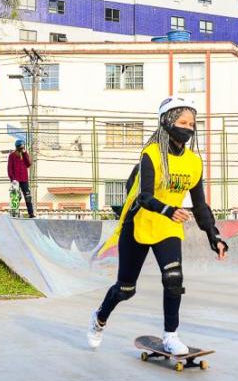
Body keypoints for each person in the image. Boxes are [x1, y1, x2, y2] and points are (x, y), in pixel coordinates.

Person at [87, 96, 228, 354]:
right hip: (139, 222)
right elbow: (144, 196)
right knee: (126, 289)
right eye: (183, 122)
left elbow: (200, 205)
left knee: (173, 278)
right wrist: (169, 209)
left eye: (192, 124)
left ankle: (171, 336)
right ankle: (99, 317)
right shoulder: (150, 154)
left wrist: (214, 236)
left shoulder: (194, 162)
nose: (189, 127)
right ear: (167, 122)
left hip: (168, 225)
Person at [7, 139, 35, 218]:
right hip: (15, 179)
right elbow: (9, 168)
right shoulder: (12, 156)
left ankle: (31, 213)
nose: (21, 150)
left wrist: (25, 153)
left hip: (24, 179)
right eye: (20, 148)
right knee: (16, 196)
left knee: (27, 196)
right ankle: (14, 211)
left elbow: (28, 164)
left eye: (22, 148)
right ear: (17, 147)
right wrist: (12, 179)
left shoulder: (24, 154)